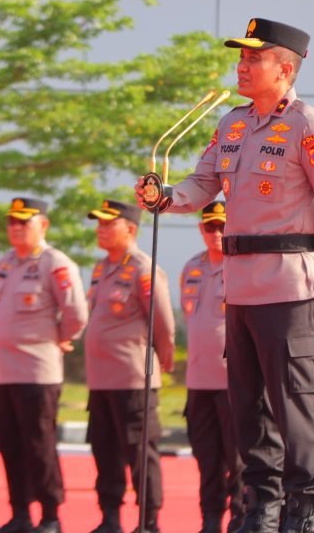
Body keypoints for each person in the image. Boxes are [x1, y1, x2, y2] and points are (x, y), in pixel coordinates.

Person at [139, 17, 314, 533]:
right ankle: (260, 509)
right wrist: (165, 197)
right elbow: (203, 182)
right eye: (241, 56)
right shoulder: (232, 124)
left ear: (285, 69)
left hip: (290, 285)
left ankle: (304, 512)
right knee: (249, 408)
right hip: (240, 288)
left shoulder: (307, 125)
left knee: (295, 404)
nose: (242, 65)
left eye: (253, 57)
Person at [0, 197, 89, 533]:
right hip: (4, 372)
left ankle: (50, 517)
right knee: (11, 446)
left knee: (38, 445)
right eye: (11, 222)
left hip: (37, 372)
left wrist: (58, 337)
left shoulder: (54, 263)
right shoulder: (5, 262)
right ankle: (20, 515)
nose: (16, 228)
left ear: (43, 225)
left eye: (24, 222)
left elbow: (76, 313)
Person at [85, 199, 175, 533]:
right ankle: (109, 518)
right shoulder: (100, 268)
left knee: (139, 453)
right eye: (99, 224)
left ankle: (148, 522)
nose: (101, 230)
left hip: (133, 379)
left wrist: (164, 358)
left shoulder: (142, 268)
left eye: (109, 224)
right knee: (104, 451)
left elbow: (162, 322)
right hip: (100, 379)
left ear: (131, 229)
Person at [180, 201, 244, 533]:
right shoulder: (191, 267)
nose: (216, 233)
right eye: (210, 227)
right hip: (199, 381)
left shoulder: (243, 266)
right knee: (206, 458)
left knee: (238, 459)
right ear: (201, 230)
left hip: (233, 381)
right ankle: (210, 519)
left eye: (222, 226)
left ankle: (241, 519)